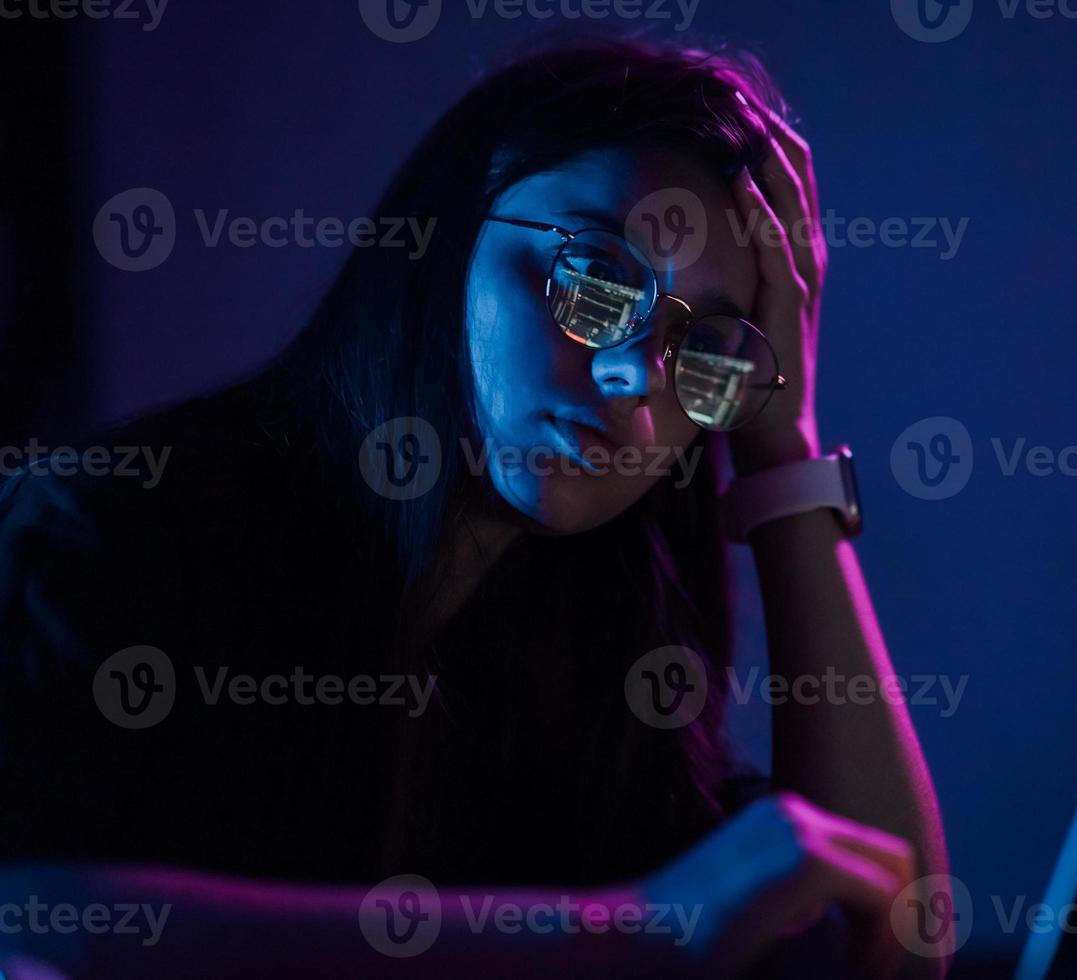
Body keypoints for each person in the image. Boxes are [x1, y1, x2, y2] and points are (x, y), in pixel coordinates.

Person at [0, 36, 948, 978]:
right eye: (594, 278)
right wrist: (628, 931)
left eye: (703, 345)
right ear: (446, 241)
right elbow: (31, 925)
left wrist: (780, 444)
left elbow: (893, 948)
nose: (633, 375)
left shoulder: (596, 650)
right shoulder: (124, 530)